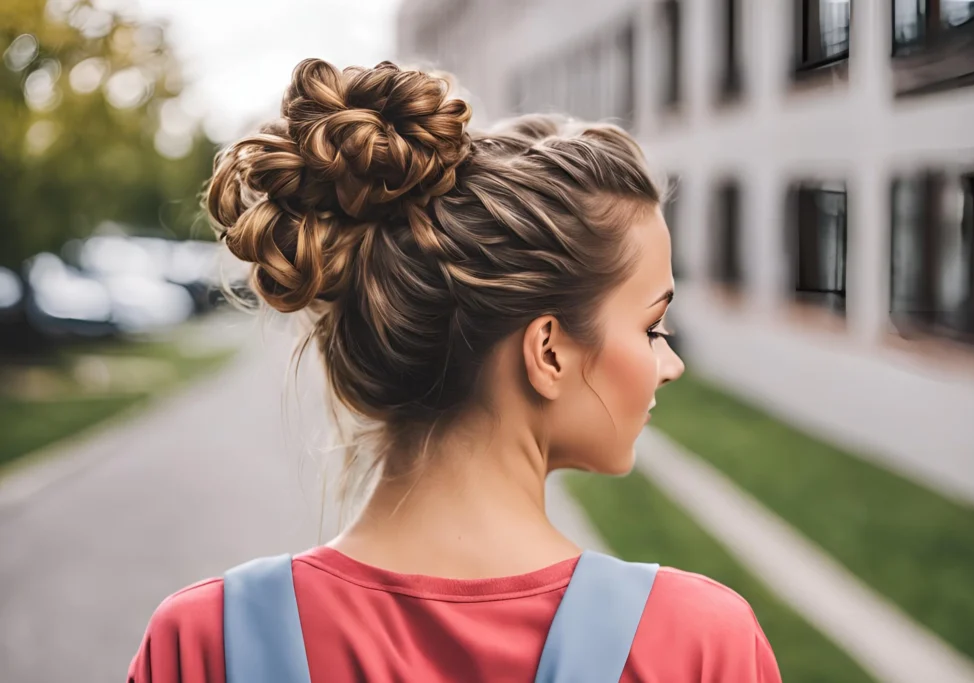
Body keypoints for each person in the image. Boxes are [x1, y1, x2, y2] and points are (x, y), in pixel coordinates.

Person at [127, 58, 782, 682]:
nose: (670, 364)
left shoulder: (204, 641)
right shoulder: (698, 646)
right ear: (549, 350)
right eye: (651, 328)